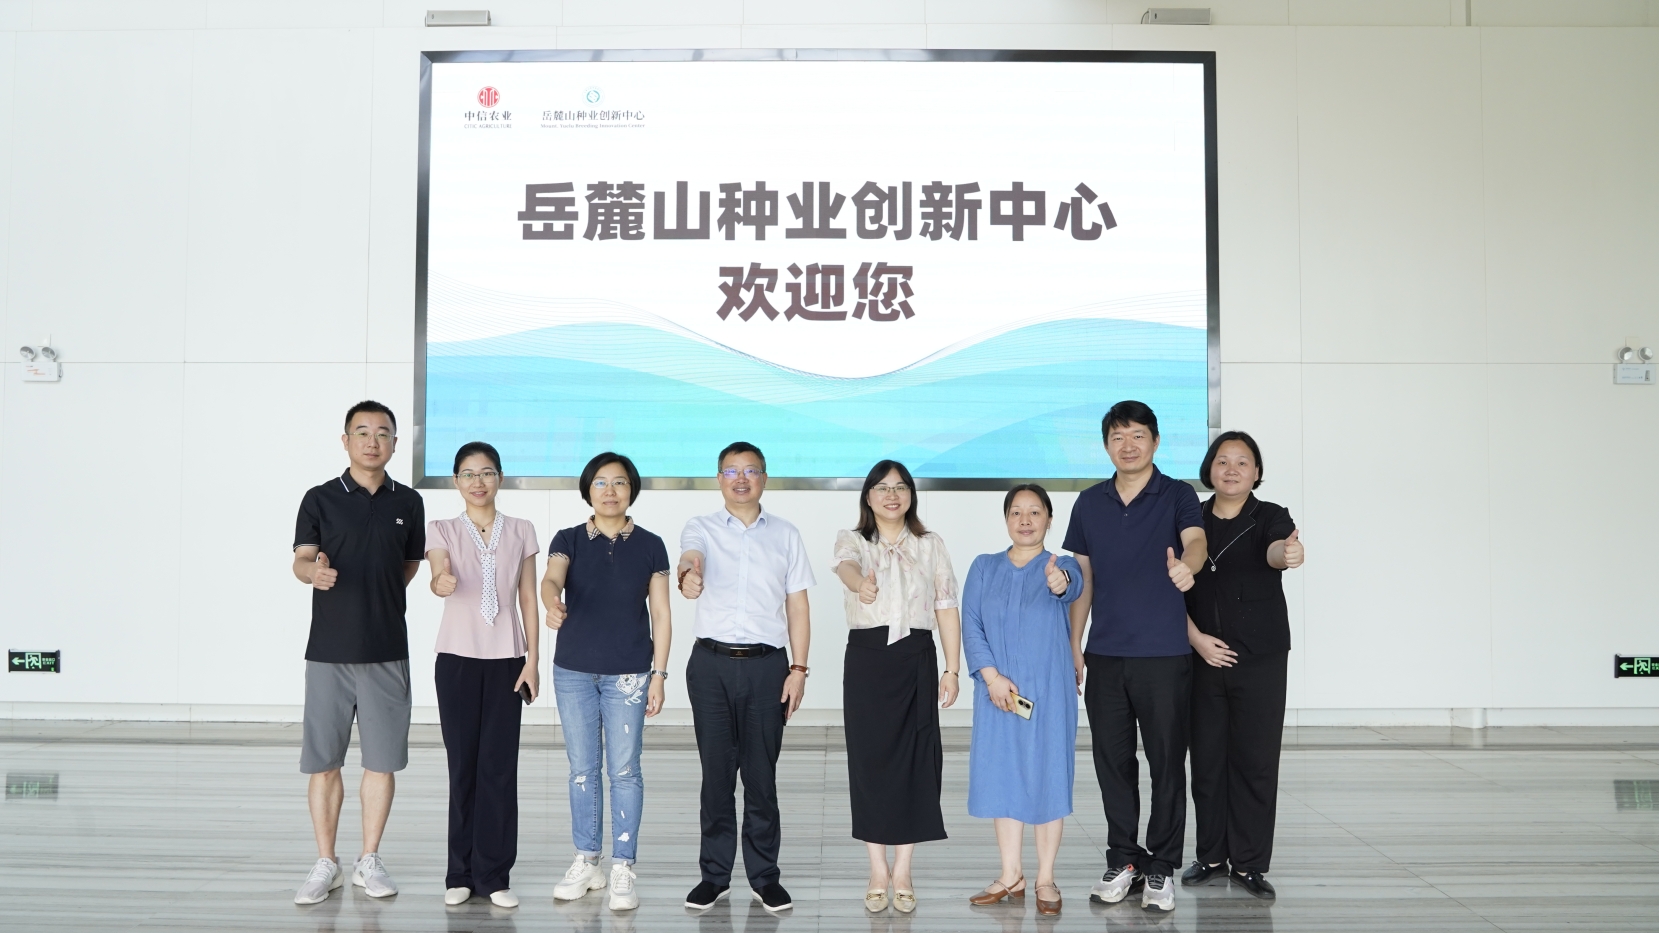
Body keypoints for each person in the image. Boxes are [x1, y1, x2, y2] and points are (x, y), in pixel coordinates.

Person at [1063, 400, 1207, 913]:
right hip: (1105, 655)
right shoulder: (1089, 502)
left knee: (1166, 763)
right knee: (1113, 763)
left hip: (1164, 655)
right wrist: (1074, 645)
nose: (1128, 445)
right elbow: (1083, 579)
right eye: (1118, 437)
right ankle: (1124, 858)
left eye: (1138, 435)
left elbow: (1196, 541)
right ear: (1107, 445)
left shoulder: (1178, 494)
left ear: (1156, 441)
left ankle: (1162, 865)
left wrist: (1188, 567)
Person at [290, 401, 426, 905]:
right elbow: (302, 560)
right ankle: (326, 862)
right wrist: (314, 573)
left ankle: (369, 858)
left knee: (381, 762)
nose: (373, 441)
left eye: (383, 433)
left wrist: (378, 594)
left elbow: (409, 564)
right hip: (328, 651)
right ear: (345, 440)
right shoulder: (319, 498)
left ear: (394, 444)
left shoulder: (409, 501)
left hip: (387, 649)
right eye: (362, 432)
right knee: (324, 762)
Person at [677, 441, 815, 914]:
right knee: (716, 776)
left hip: (767, 667)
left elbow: (798, 606)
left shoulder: (786, 534)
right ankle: (714, 876)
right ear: (719, 479)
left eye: (750, 470)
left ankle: (764, 877)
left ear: (764, 478)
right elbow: (689, 559)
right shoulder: (701, 527)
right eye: (731, 471)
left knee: (761, 777)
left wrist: (799, 669)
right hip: (710, 666)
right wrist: (688, 576)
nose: (741, 479)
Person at [541, 452, 672, 912]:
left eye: (619, 482)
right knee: (582, 770)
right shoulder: (569, 538)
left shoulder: (652, 545)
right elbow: (551, 578)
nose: (610, 490)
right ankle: (587, 859)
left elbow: (661, 614)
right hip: (573, 671)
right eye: (600, 482)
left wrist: (659, 675)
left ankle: (623, 866)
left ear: (631, 489)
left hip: (630, 674)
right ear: (588, 490)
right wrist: (551, 600)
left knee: (624, 770)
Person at [832, 460, 963, 915]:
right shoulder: (853, 539)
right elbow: (845, 567)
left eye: (901, 487)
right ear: (868, 496)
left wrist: (951, 669)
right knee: (869, 762)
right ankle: (877, 870)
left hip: (917, 658)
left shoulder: (931, 544)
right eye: (883, 488)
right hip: (868, 660)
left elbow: (946, 606)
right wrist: (861, 587)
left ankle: (903, 871)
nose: (892, 495)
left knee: (916, 762)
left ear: (911, 495)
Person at [1180, 431, 1302, 901]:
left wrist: (1287, 555)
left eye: (1242, 462)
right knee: (1207, 759)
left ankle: (1249, 862)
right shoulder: (1189, 518)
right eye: (1222, 460)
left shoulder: (1271, 516)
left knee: (1256, 761)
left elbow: (1277, 550)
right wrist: (1196, 640)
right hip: (1201, 655)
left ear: (1256, 472)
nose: (1231, 469)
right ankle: (1211, 855)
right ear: (1209, 469)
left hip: (1259, 658)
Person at [425, 441, 541, 909]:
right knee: (463, 767)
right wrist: (441, 581)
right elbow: (438, 569)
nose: (479, 481)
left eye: (487, 472)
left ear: (500, 478)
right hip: (456, 659)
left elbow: (528, 597)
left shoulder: (522, 530)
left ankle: (494, 875)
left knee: (499, 768)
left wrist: (532, 660)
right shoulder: (442, 529)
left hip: (507, 660)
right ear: (457, 481)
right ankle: (459, 873)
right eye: (469, 474)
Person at [962, 484, 1084, 917]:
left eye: (1035, 512)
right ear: (1006, 519)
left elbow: (1071, 587)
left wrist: (1060, 582)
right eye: (1017, 512)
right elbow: (971, 623)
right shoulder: (984, 566)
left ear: (1049, 519)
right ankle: (1010, 874)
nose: (1026, 520)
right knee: (1004, 776)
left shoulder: (1063, 565)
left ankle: (1045, 878)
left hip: (1049, 691)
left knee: (1049, 774)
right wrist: (991, 677)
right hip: (997, 693)